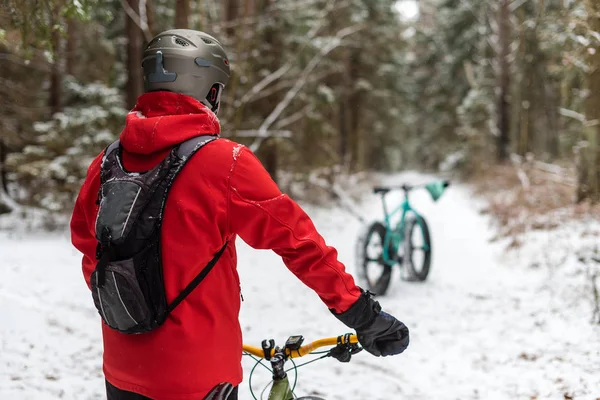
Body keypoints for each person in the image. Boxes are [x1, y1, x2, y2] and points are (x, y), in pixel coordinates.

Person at [70, 29, 409, 400]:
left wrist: (133, 302)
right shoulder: (225, 163)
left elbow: (90, 248)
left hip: (121, 371)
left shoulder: (107, 161)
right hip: (199, 376)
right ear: (209, 90)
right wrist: (363, 315)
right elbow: (299, 244)